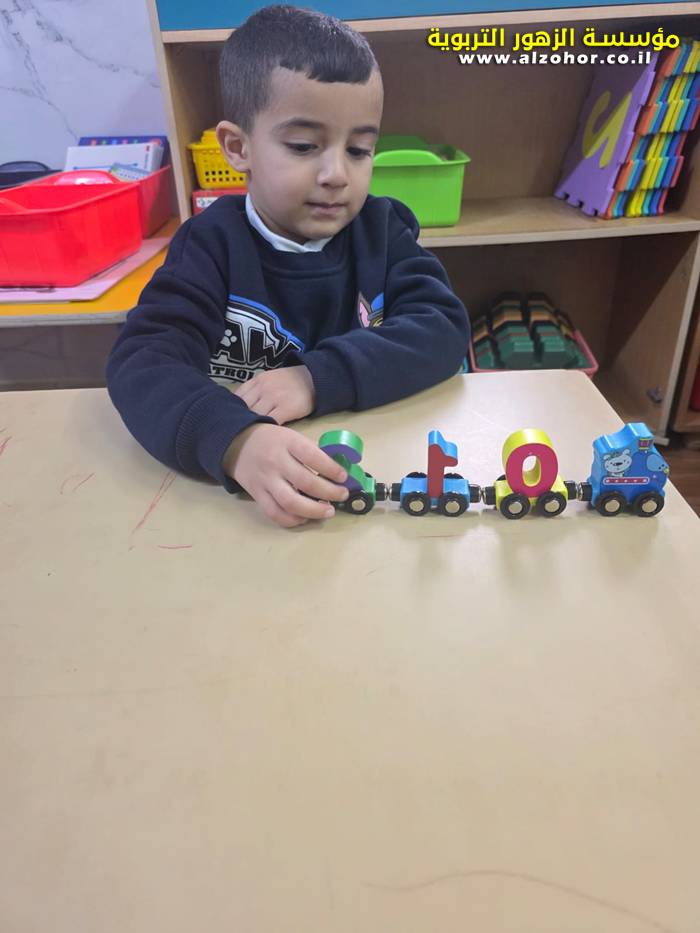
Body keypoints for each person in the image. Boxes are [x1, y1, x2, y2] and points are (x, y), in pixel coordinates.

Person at [106, 4, 470, 528]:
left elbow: (442, 329)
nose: (336, 173)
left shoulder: (383, 232)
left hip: (372, 482)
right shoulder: (210, 246)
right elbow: (143, 362)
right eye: (303, 146)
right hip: (240, 508)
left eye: (360, 149)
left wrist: (316, 378)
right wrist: (235, 441)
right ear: (238, 148)